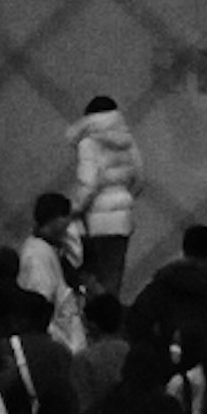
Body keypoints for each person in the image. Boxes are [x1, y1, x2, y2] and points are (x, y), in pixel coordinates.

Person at [69, 91, 141, 305]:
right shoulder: (128, 142)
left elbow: (88, 184)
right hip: (122, 221)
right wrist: (125, 200)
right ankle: (111, 323)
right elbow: (139, 178)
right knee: (113, 279)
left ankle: (94, 325)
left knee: (91, 278)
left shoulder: (88, 144)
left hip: (95, 221)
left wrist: (75, 209)